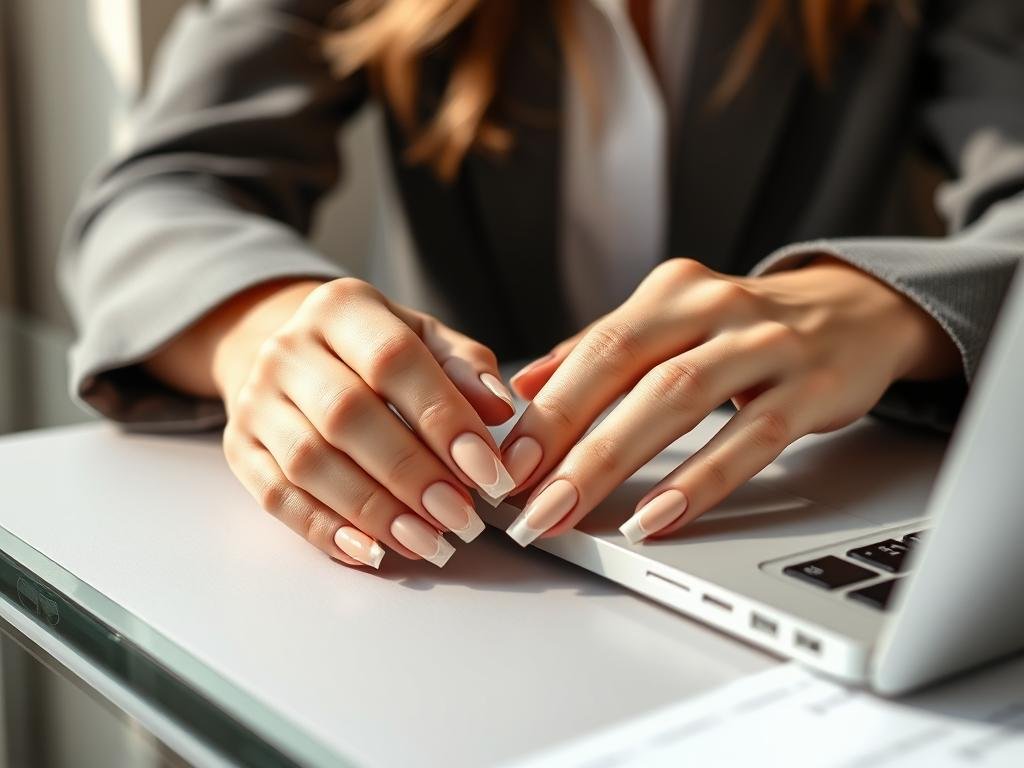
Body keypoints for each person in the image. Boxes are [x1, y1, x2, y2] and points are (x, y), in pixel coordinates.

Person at [62, 0, 1023, 570]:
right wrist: (261, 328)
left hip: (794, 509)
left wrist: (888, 307)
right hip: (480, 544)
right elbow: (159, 191)